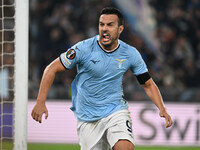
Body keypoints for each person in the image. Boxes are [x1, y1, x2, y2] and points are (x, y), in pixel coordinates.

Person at [31, 7, 173, 150]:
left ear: (120, 29)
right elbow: (51, 69)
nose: (104, 29)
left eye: (110, 25)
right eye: (101, 24)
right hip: (88, 119)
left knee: (125, 148)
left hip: (116, 111)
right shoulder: (83, 49)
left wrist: (162, 108)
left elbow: (147, 84)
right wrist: (40, 102)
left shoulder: (130, 53)